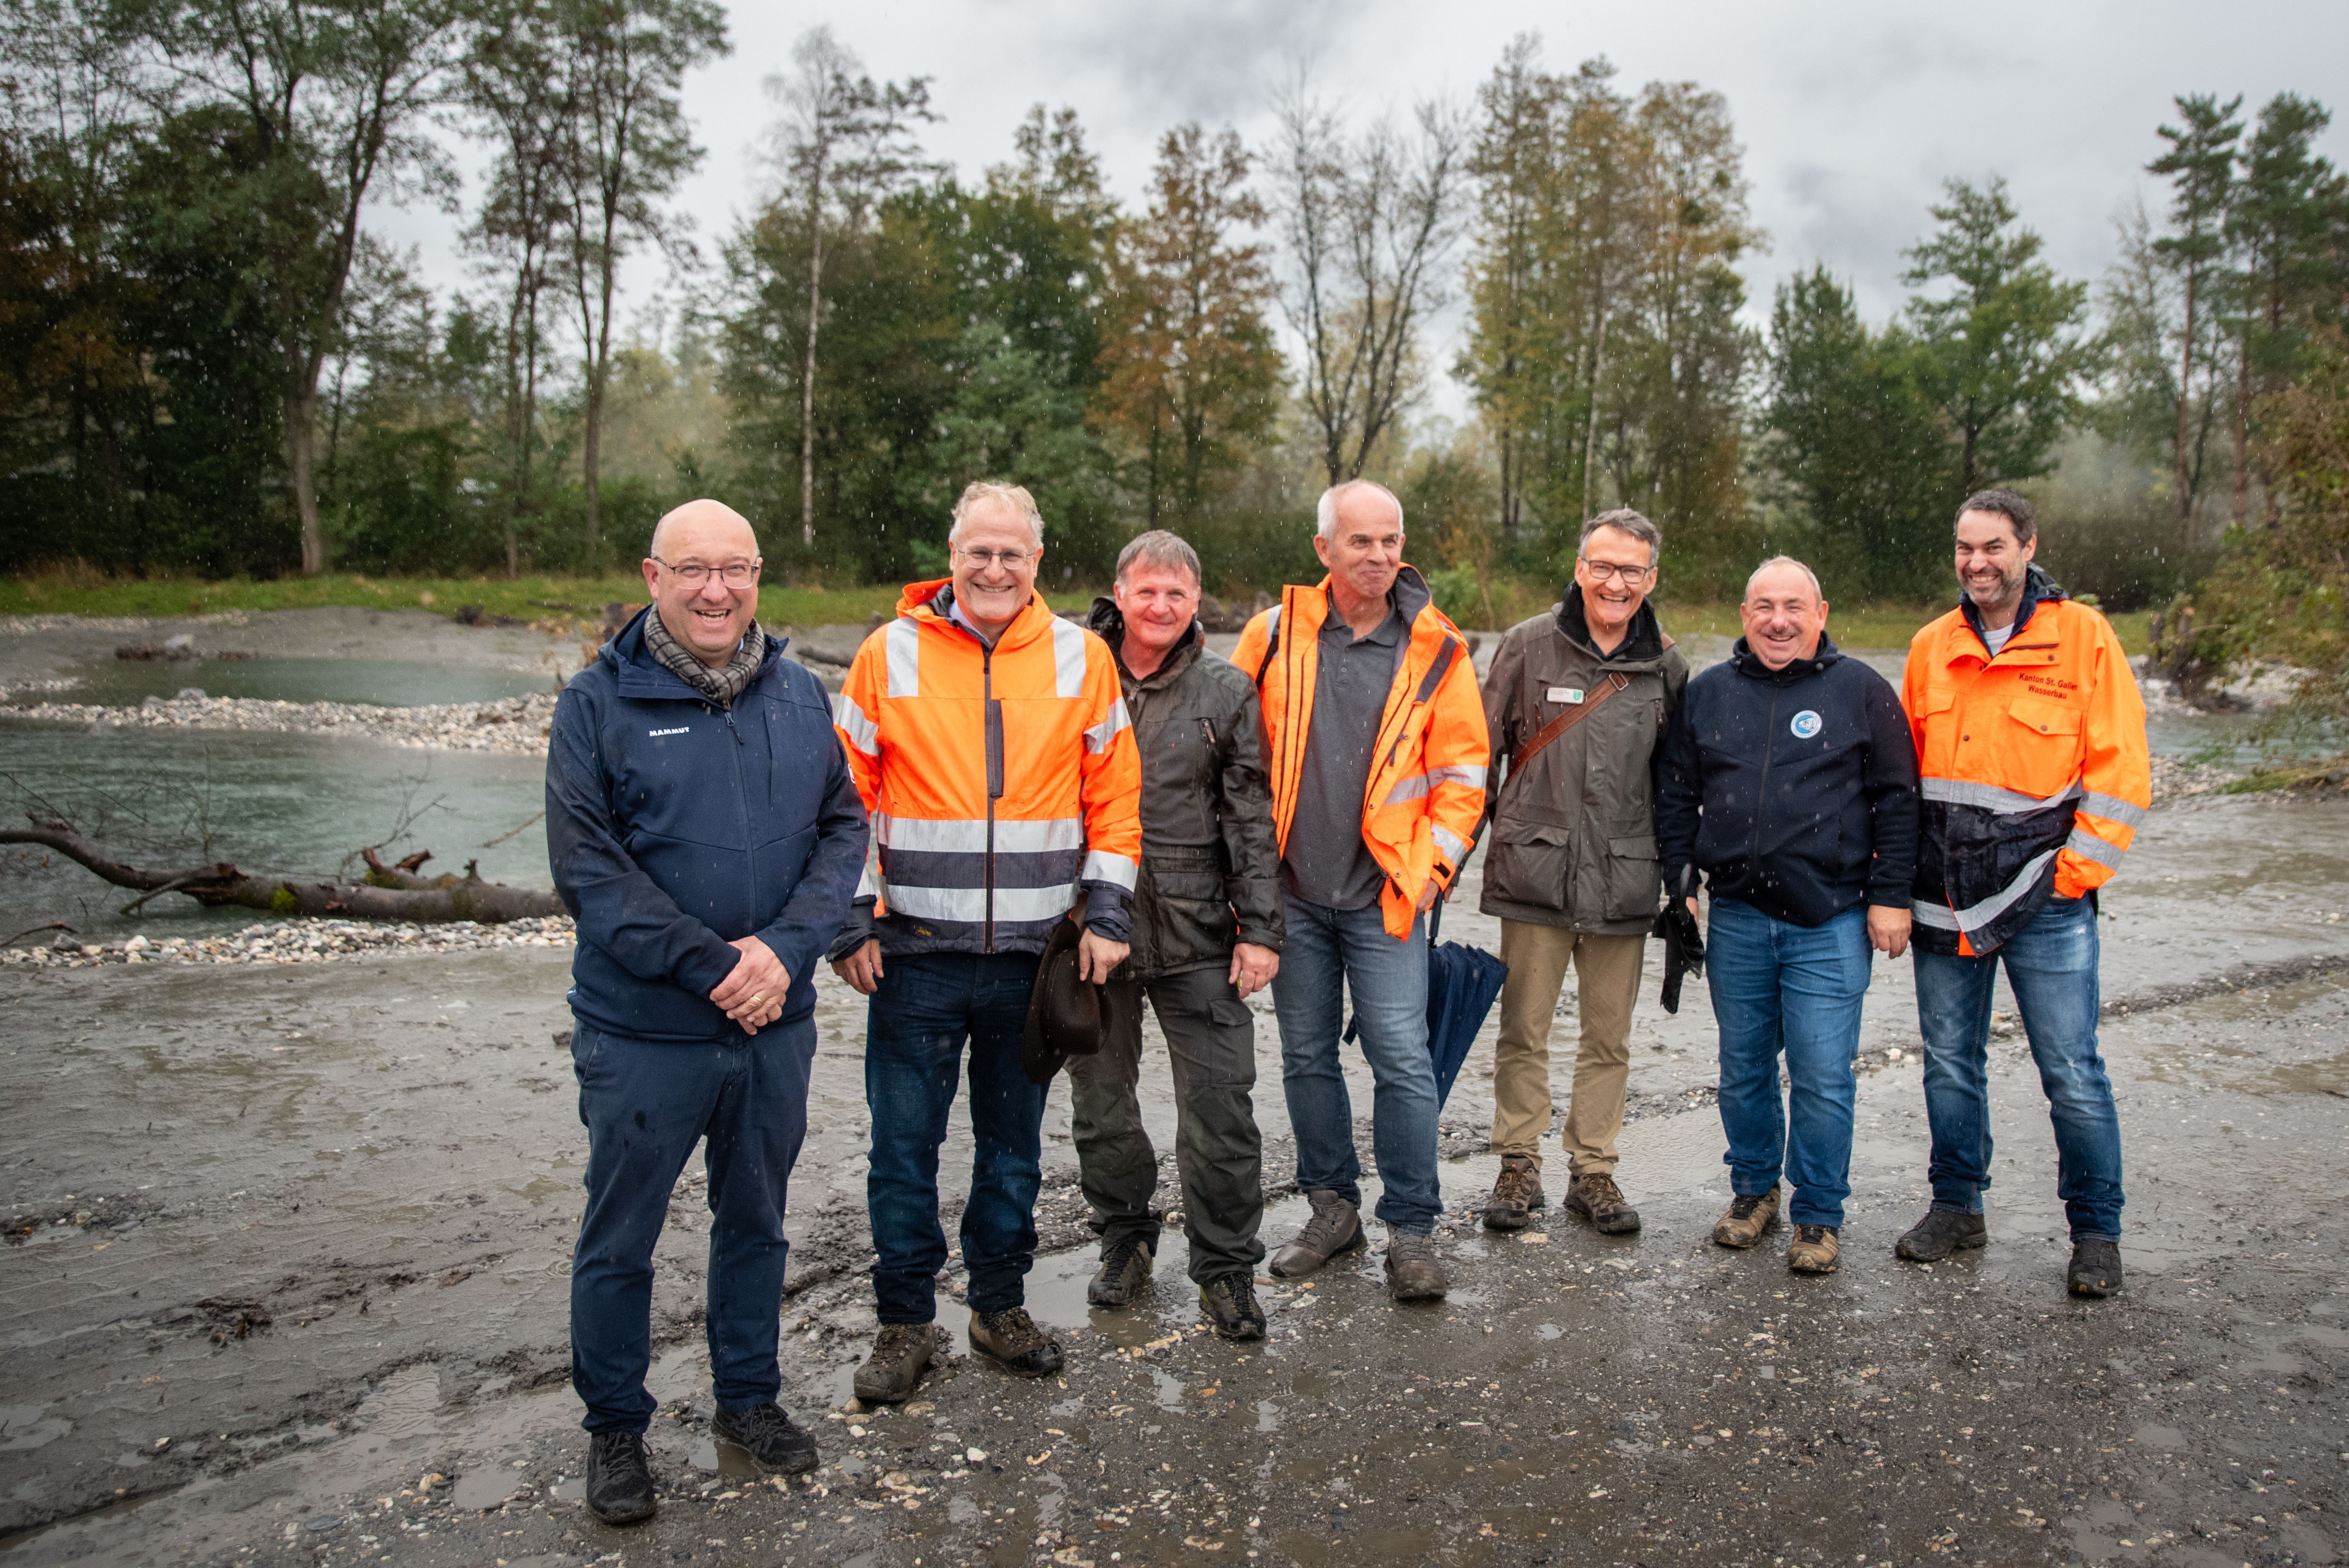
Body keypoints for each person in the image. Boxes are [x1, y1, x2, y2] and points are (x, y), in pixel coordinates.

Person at [546, 499, 869, 1526]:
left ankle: (748, 1401)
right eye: (693, 570)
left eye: (734, 569)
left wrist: (783, 951)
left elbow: (842, 829)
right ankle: (616, 1431)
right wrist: (714, 968)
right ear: (653, 577)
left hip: (775, 1023)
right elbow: (589, 875)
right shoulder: (596, 705)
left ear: (759, 577)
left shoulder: (798, 694)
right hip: (644, 1036)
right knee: (619, 1239)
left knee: (758, 1224)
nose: (715, 589)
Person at [828, 481, 1142, 1400]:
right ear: (952, 553)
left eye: (1012, 553)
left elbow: (1115, 803)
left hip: (1031, 963)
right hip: (911, 955)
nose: (995, 568)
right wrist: (850, 916)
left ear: (1037, 562)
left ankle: (998, 1304)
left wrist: (1108, 914)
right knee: (903, 1150)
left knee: (1011, 1147)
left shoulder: (1084, 660)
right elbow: (843, 801)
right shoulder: (887, 655)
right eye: (979, 551)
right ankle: (902, 1325)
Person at [1230, 480, 1489, 1303]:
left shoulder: (1438, 647)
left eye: (1389, 542)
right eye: (1360, 542)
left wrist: (1428, 872)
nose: (1377, 556)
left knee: (1403, 1060)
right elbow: (1234, 759)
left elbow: (1464, 780)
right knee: (1306, 1058)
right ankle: (1331, 1207)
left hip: (1389, 897)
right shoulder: (1271, 636)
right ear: (1323, 550)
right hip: (1292, 897)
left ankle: (1411, 1227)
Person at [1895, 490, 2150, 1298]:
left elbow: (2121, 773)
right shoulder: (1930, 646)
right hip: (1943, 894)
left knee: (2071, 1070)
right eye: (1966, 548)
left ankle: (2096, 1232)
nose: (1978, 563)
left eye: (1994, 547)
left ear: (2028, 547)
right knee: (1949, 1065)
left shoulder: (2084, 638)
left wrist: (2070, 876)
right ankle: (1957, 1205)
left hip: (2049, 899)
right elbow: (1901, 781)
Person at [1656, 557, 1918, 1275]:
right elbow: (1676, 792)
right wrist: (1680, 882)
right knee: (1742, 1069)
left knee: (1823, 1074)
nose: (1779, 620)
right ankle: (1752, 1192)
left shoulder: (1861, 691)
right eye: (1765, 606)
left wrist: (1892, 895)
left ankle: (1820, 1214)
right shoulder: (1709, 693)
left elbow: (1899, 799)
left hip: (1831, 918)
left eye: (1794, 607)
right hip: (1737, 912)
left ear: (1821, 612)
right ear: (1745, 615)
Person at [1071, 530, 1283, 1340]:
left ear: (1197, 603)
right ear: (1118, 593)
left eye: (1178, 594)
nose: (1161, 607)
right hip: (1096, 927)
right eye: (1146, 590)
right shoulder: (1073, 674)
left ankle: (1226, 1269)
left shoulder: (1226, 690)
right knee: (1101, 1106)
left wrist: (1260, 930)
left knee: (1222, 1109)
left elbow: (1250, 819)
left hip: (1201, 930)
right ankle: (1125, 1235)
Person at [1477, 509, 1690, 1236]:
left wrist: (1684, 883)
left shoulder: (1666, 664)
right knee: (1522, 1029)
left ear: (1651, 578)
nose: (1615, 582)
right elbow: (1479, 756)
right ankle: (1517, 1162)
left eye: (1632, 570)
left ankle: (1593, 1169)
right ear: (1578, 568)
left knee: (1609, 1036)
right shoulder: (1529, 645)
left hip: (1627, 877)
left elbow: (1676, 784)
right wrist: (1445, 856)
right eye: (1603, 565)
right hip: (1534, 873)